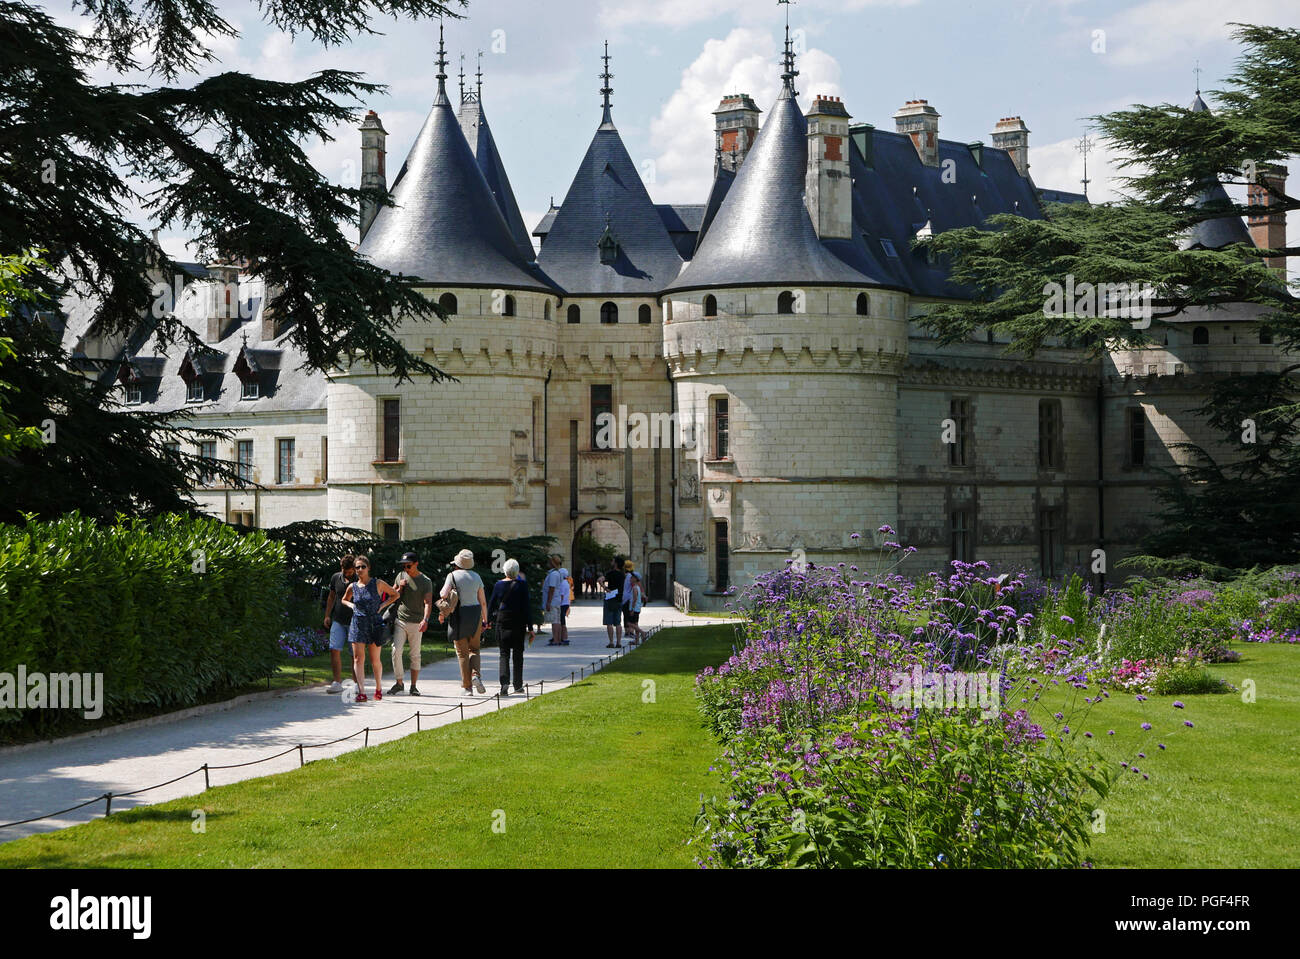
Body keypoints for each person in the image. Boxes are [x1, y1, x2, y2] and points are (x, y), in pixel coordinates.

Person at [341, 555, 398, 702]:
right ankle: (361, 692)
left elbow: (395, 594)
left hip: (374, 623)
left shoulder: (377, 583)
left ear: (368, 568)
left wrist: (383, 605)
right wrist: (351, 605)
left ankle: (378, 688)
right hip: (358, 624)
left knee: (375, 659)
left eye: (363, 567)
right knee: (358, 658)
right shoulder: (352, 586)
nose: (360, 569)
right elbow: (344, 599)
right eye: (357, 567)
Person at [441, 549, 488, 696]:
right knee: (474, 649)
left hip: (459, 615)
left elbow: (443, 594)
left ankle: (467, 687)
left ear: (457, 564)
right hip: (475, 615)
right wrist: (485, 620)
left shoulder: (452, 576)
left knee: (462, 653)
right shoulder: (477, 577)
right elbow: (483, 602)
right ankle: (476, 676)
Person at [487, 558, 535, 696]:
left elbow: (491, 605)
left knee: (504, 654)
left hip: (503, 622)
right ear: (517, 571)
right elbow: (527, 608)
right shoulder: (523, 585)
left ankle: (504, 683)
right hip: (519, 623)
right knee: (518, 654)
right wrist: (531, 628)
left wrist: (488, 621)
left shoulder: (498, 585)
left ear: (505, 570)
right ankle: (518, 685)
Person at [389, 551, 433, 696]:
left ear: (416, 564)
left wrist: (425, 619)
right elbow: (392, 594)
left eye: (408, 566)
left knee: (415, 655)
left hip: (416, 622)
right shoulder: (401, 576)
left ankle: (413, 686)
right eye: (403, 566)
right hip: (400, 619)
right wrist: (399, 587)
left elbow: (427, 602)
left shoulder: (425, 581)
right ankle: (399, 683)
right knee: (396, 651)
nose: (405, 569)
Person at [322, 554, 356, 693]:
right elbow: (331, 596)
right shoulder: (336, 577)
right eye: (344, 571)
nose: (347, 574)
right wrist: (327, 615)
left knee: (355, 654)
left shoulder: (359, 579)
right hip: (338, 619)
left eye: (349, 571)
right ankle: (337, 682)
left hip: (354, 621)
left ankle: (356, 683)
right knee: (334, 649)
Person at [542, 554, 570, 646]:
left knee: (554, 621)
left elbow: (551, 588)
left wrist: (548, 602)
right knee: (557, 621)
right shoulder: (557, 573)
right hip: (557, 600)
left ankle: (556, 640)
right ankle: (557, 639)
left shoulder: (553, 574)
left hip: (553, 601)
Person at [603, 555, 625, 648]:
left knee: (609, 622)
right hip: (619, 598)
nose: (611, 562)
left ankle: (611, 642)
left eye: (612, 561)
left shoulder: (610, 573)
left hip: (610, 598)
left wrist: (605, 588)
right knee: (618, 622)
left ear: (615, 563)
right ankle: (619, 642)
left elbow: (600, 580)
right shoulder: (622, 575)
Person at [625, 570, 646, 643]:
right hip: (637, 608)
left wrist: (632, 609)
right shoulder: (638, 587)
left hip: (634, 608)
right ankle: (636, 640)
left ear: (635, 579)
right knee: (635, 624)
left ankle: (642, 632)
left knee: (629, 623)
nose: (630, 579)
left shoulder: (634, 588)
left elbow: (635, 599)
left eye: (631, 578)